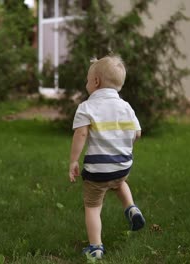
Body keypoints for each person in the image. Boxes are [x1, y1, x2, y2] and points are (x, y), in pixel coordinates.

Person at [68, 55, 146, 259]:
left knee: (92, 207)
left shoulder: (87, 107)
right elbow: (137, 133)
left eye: (87, 80)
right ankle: (131, 207)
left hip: (97, 172)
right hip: (122, 166)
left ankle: (96, 248)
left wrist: (74, 160)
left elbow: (81, 134)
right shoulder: (126, 107)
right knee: (119, 182)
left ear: (95, 82)